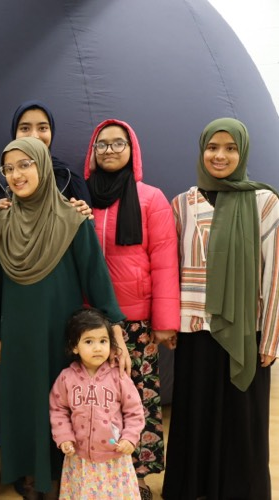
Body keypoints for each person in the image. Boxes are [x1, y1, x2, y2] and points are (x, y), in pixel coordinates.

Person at [0, 136, 128, 499]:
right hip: (17, 332)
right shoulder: (0, 220)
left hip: (62, 331)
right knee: (23, 401)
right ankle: (28, 473)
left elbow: (96, 277)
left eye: (25, 165)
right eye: (9, 168)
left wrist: (116, 332)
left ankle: (62, 475)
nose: (16, 175)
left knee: (63, 402)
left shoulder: (72, 219)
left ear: (43, 167)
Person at [163, 118, 278, 500]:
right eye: (213, 147)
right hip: (196, 329)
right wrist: (171, 322)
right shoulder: (182, 203)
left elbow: (274, 273)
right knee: (196, 416)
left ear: (242, 152)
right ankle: (194, 488)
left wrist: (271, 339)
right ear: (202, 151)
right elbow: (171, 268)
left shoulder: (265, 202)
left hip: (247, 330)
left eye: (230, 148)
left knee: (242, 421)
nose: (220, 155)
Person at [83, 119, 179, 500]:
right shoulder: (79, 195)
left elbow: (165, 260)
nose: (109, 150)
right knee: (93, 400)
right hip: (89, 319)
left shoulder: (150, 198)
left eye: (117, 143)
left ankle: (135, 475)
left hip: (136, 319)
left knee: (135, 398)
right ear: (92, 151)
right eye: (101, 144)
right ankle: (95, 472)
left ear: (132, 150)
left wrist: (165, 321)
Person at [50, 308, 145, 499]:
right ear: (74, 347)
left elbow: (134, 412)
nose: (97, 348)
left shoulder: (119, 377)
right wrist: (64, 437)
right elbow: (58, 410)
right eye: (89, 341)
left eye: (103, 341)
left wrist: (130, 438)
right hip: (80, 459)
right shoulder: (66, 378)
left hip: (114, 458)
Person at [0, 100, 92, 208]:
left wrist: (80, 214)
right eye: (25, 128)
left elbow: (87, 220)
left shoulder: (69, 177)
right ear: (15, 132)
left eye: (42, 128)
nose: (34, 136)